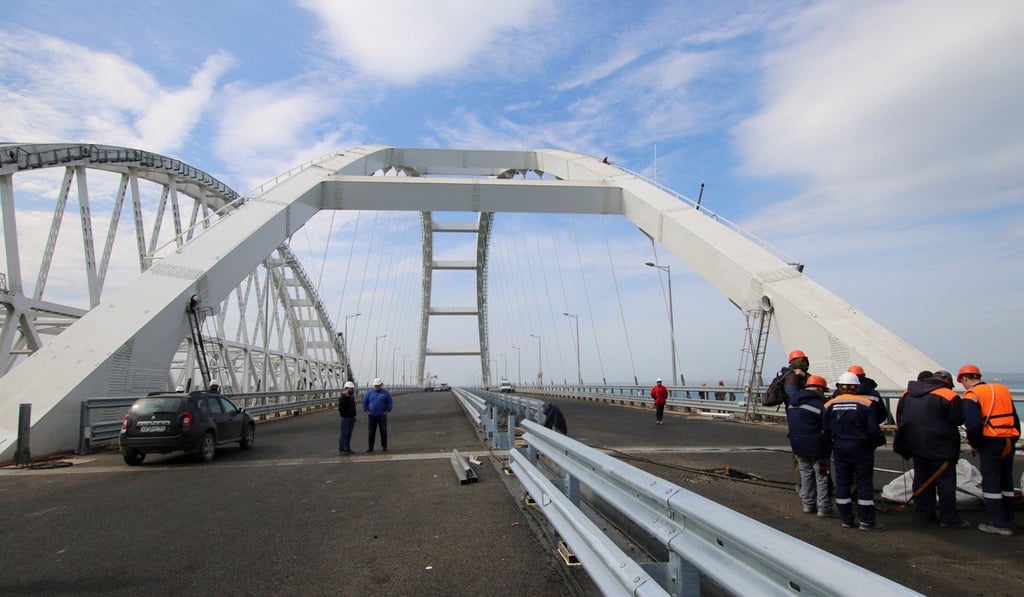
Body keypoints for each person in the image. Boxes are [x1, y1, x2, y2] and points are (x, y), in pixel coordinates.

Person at [894, 372, 968, 528]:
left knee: (922, 478)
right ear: (946, 380)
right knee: (945, 482)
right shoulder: (948, 394)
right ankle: (949, 519)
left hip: (916, 445)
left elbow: (900, 418)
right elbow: (958, 419)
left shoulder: (907, 393)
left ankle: (925, 514)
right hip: (941, 446)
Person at [958, 364, 1020, 536]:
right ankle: (1009, 518)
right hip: (1008, 438)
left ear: (964, 379)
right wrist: (1013, 437)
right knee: (1006, 480)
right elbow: (1013, 417)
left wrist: (975, 443)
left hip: (990, 441)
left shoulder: (972, 395)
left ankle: (999, 524)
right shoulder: (1002, 390)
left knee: (991, 481)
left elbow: (973, 424)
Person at [824, 371, 885, 531]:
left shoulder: (829, 405)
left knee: (842, 483)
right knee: (864, 482)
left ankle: (846, 519)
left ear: (839, 387)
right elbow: (873, 429)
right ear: (857, 387)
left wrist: (831, 445)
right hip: (862, 448)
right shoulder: (866, 403)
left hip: (840, 447)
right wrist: (876, 442)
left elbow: (825, 429)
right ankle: (867, 521)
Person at [786, 375, 835, 517]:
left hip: (798, 446)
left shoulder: (792, 403)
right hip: (818, 447)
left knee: (805, 474)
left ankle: (808, 504)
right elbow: (828, 426)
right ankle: (824, 507)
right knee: (821, 476)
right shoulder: (820, 406)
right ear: (818, 389)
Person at [363, 378, 393, 452]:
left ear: (381, 385)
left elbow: (390, 402)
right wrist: (366, 410)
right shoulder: (370, 393)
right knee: (371, 432)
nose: (376, 386)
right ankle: (370, 447)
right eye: (375, 385)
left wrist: (387, 410)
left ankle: (384, 446)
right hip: (372, 415)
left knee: (383, 431)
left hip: (382, 415)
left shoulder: (385, 393)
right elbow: (365, 402)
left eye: (378, 385)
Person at [338, 381, 357, 455]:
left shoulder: (351, 397)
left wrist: (353, 416)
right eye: (351, 388)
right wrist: (345, 416)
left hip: (351, 417)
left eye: (352, 388)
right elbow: (341, 409)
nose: (352, 390)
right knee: (344, 433)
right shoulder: (343, 398)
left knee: (349, 434)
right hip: (346, 418)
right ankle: (342, 448)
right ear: (346, 389)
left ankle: (347, 448)